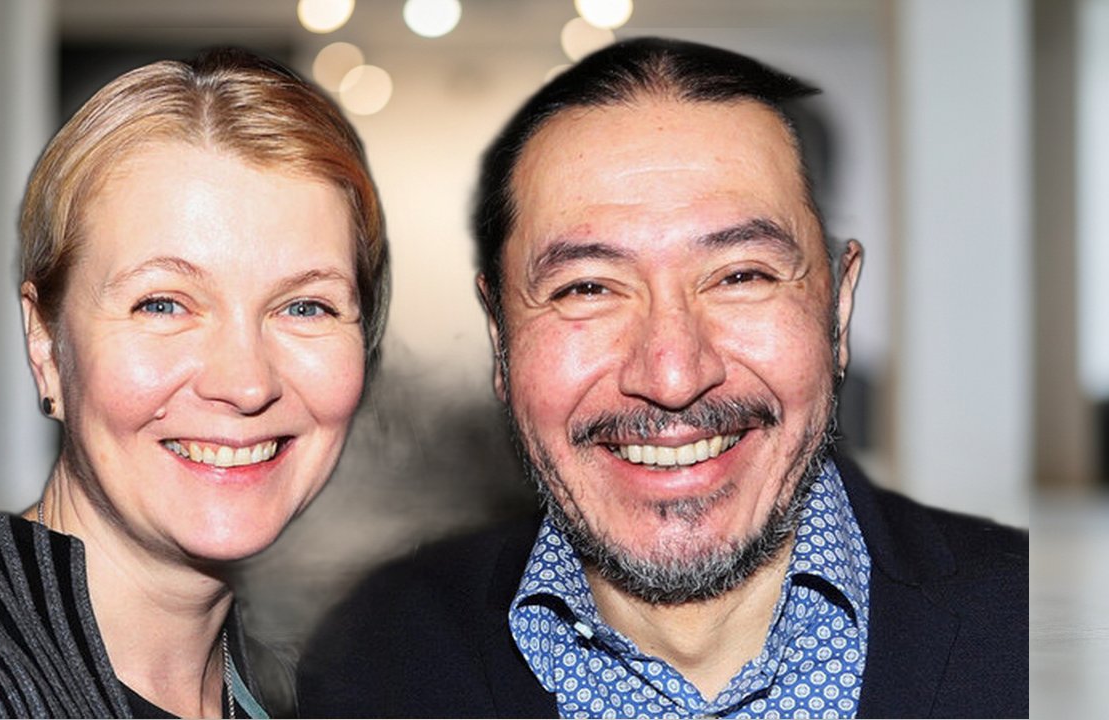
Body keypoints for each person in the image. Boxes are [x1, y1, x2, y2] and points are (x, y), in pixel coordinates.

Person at [297, 37, 1026, 718]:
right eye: (587, 288)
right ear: (501, 337)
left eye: (741, 275)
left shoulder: (1030, 633)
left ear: (836, 310)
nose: (673, 376)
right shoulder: (368, 668)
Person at [0, 47, 388, 719]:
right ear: (45, 342)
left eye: (305, 307)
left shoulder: (300, 692)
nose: (246, 384)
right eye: (162, 304)